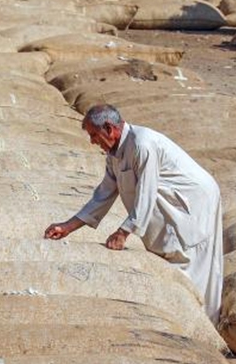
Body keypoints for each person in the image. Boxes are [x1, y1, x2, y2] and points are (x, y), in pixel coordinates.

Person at [44, 104, 224, 323]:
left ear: (109, 128)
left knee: (192, 262)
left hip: (194, 202)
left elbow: (146, 192)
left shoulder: (142, 144)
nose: (92, 142)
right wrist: (68, 226)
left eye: (94, 135)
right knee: (173, 259)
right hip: (170, 205)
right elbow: (105, 192)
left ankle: (205, 324)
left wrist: (124, 232)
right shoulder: (114, 153)